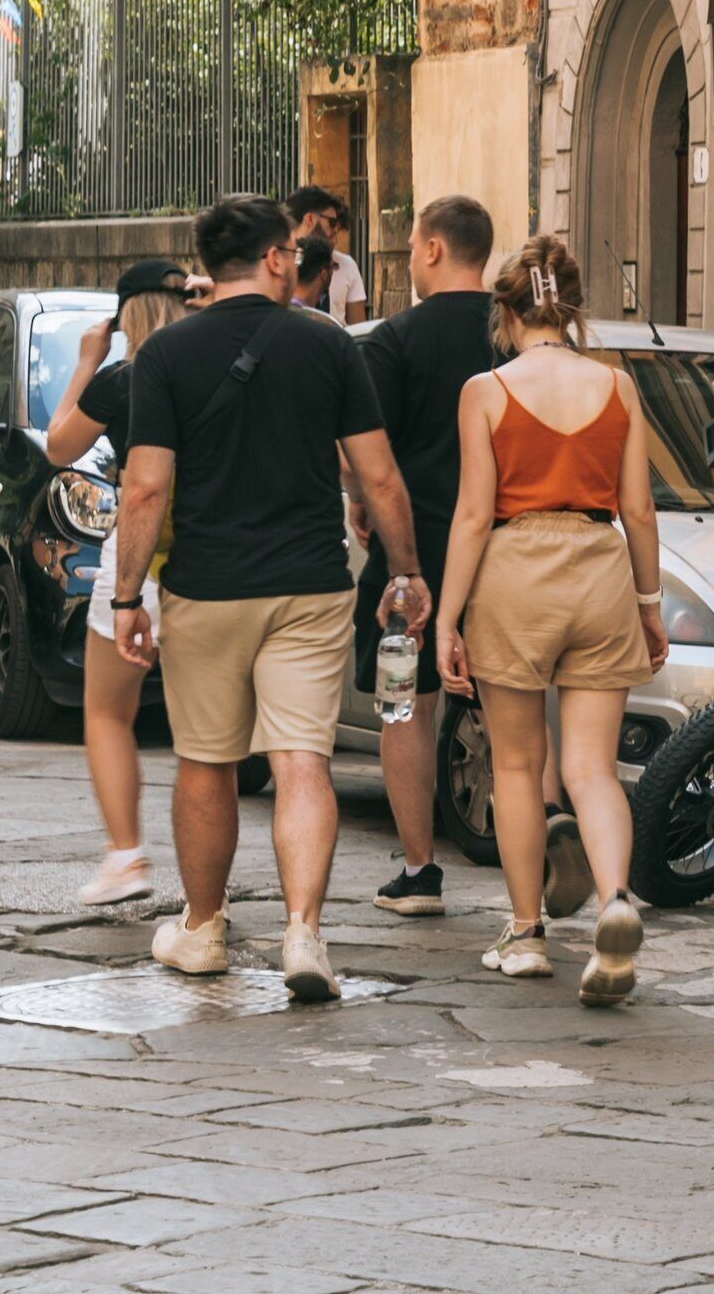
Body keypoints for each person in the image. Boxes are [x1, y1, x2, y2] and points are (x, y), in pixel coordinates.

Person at [105, 194, 424, 1002]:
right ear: (277, 258)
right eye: (296, 249)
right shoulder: (326, 348)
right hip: (309, 584)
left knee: (207, 763)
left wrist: (125, 597)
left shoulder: (167, 354)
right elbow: (379, 474)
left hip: (207, 587)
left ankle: (204, 929)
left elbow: (144, 490)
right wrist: (407, 570)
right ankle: (303, 934)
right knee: (301, 761)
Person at [432, 233, 662, 1002]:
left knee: (518, 767)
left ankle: (527, 933)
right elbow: (638, 510)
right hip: (600, 568)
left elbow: (471, 516)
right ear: (570, 307)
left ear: (506, 309)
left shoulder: (486, 392)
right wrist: (649, 605)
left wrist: (447, 619)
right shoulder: (618, 388)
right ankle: (617, 899)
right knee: (592, 767)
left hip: (517, 574)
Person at [354, 195, 506, 920]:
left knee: (405, 709)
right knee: (515, 706)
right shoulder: (516, 341)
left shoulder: (395, 340)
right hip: (505, 552)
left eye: (414, 246)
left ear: (436, 250)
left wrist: (369, 517)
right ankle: (535, 866)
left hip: (414, 554)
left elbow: (368, 455)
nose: (411, 259)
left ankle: (419, 871)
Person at [47, 258, 198, 906]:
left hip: (137, 560)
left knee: (108, 713)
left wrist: (88, 359)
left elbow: (57, 445)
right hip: (211, 556)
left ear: (125, 314)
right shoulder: (212, 366)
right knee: (205, 730)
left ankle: (126, 855)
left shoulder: (123, 378)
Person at [287, 186, 369, 325]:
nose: (335, 239)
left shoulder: (345, 265)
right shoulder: (278, 263)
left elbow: (358, 329)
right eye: (331, 223)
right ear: (310, 219)